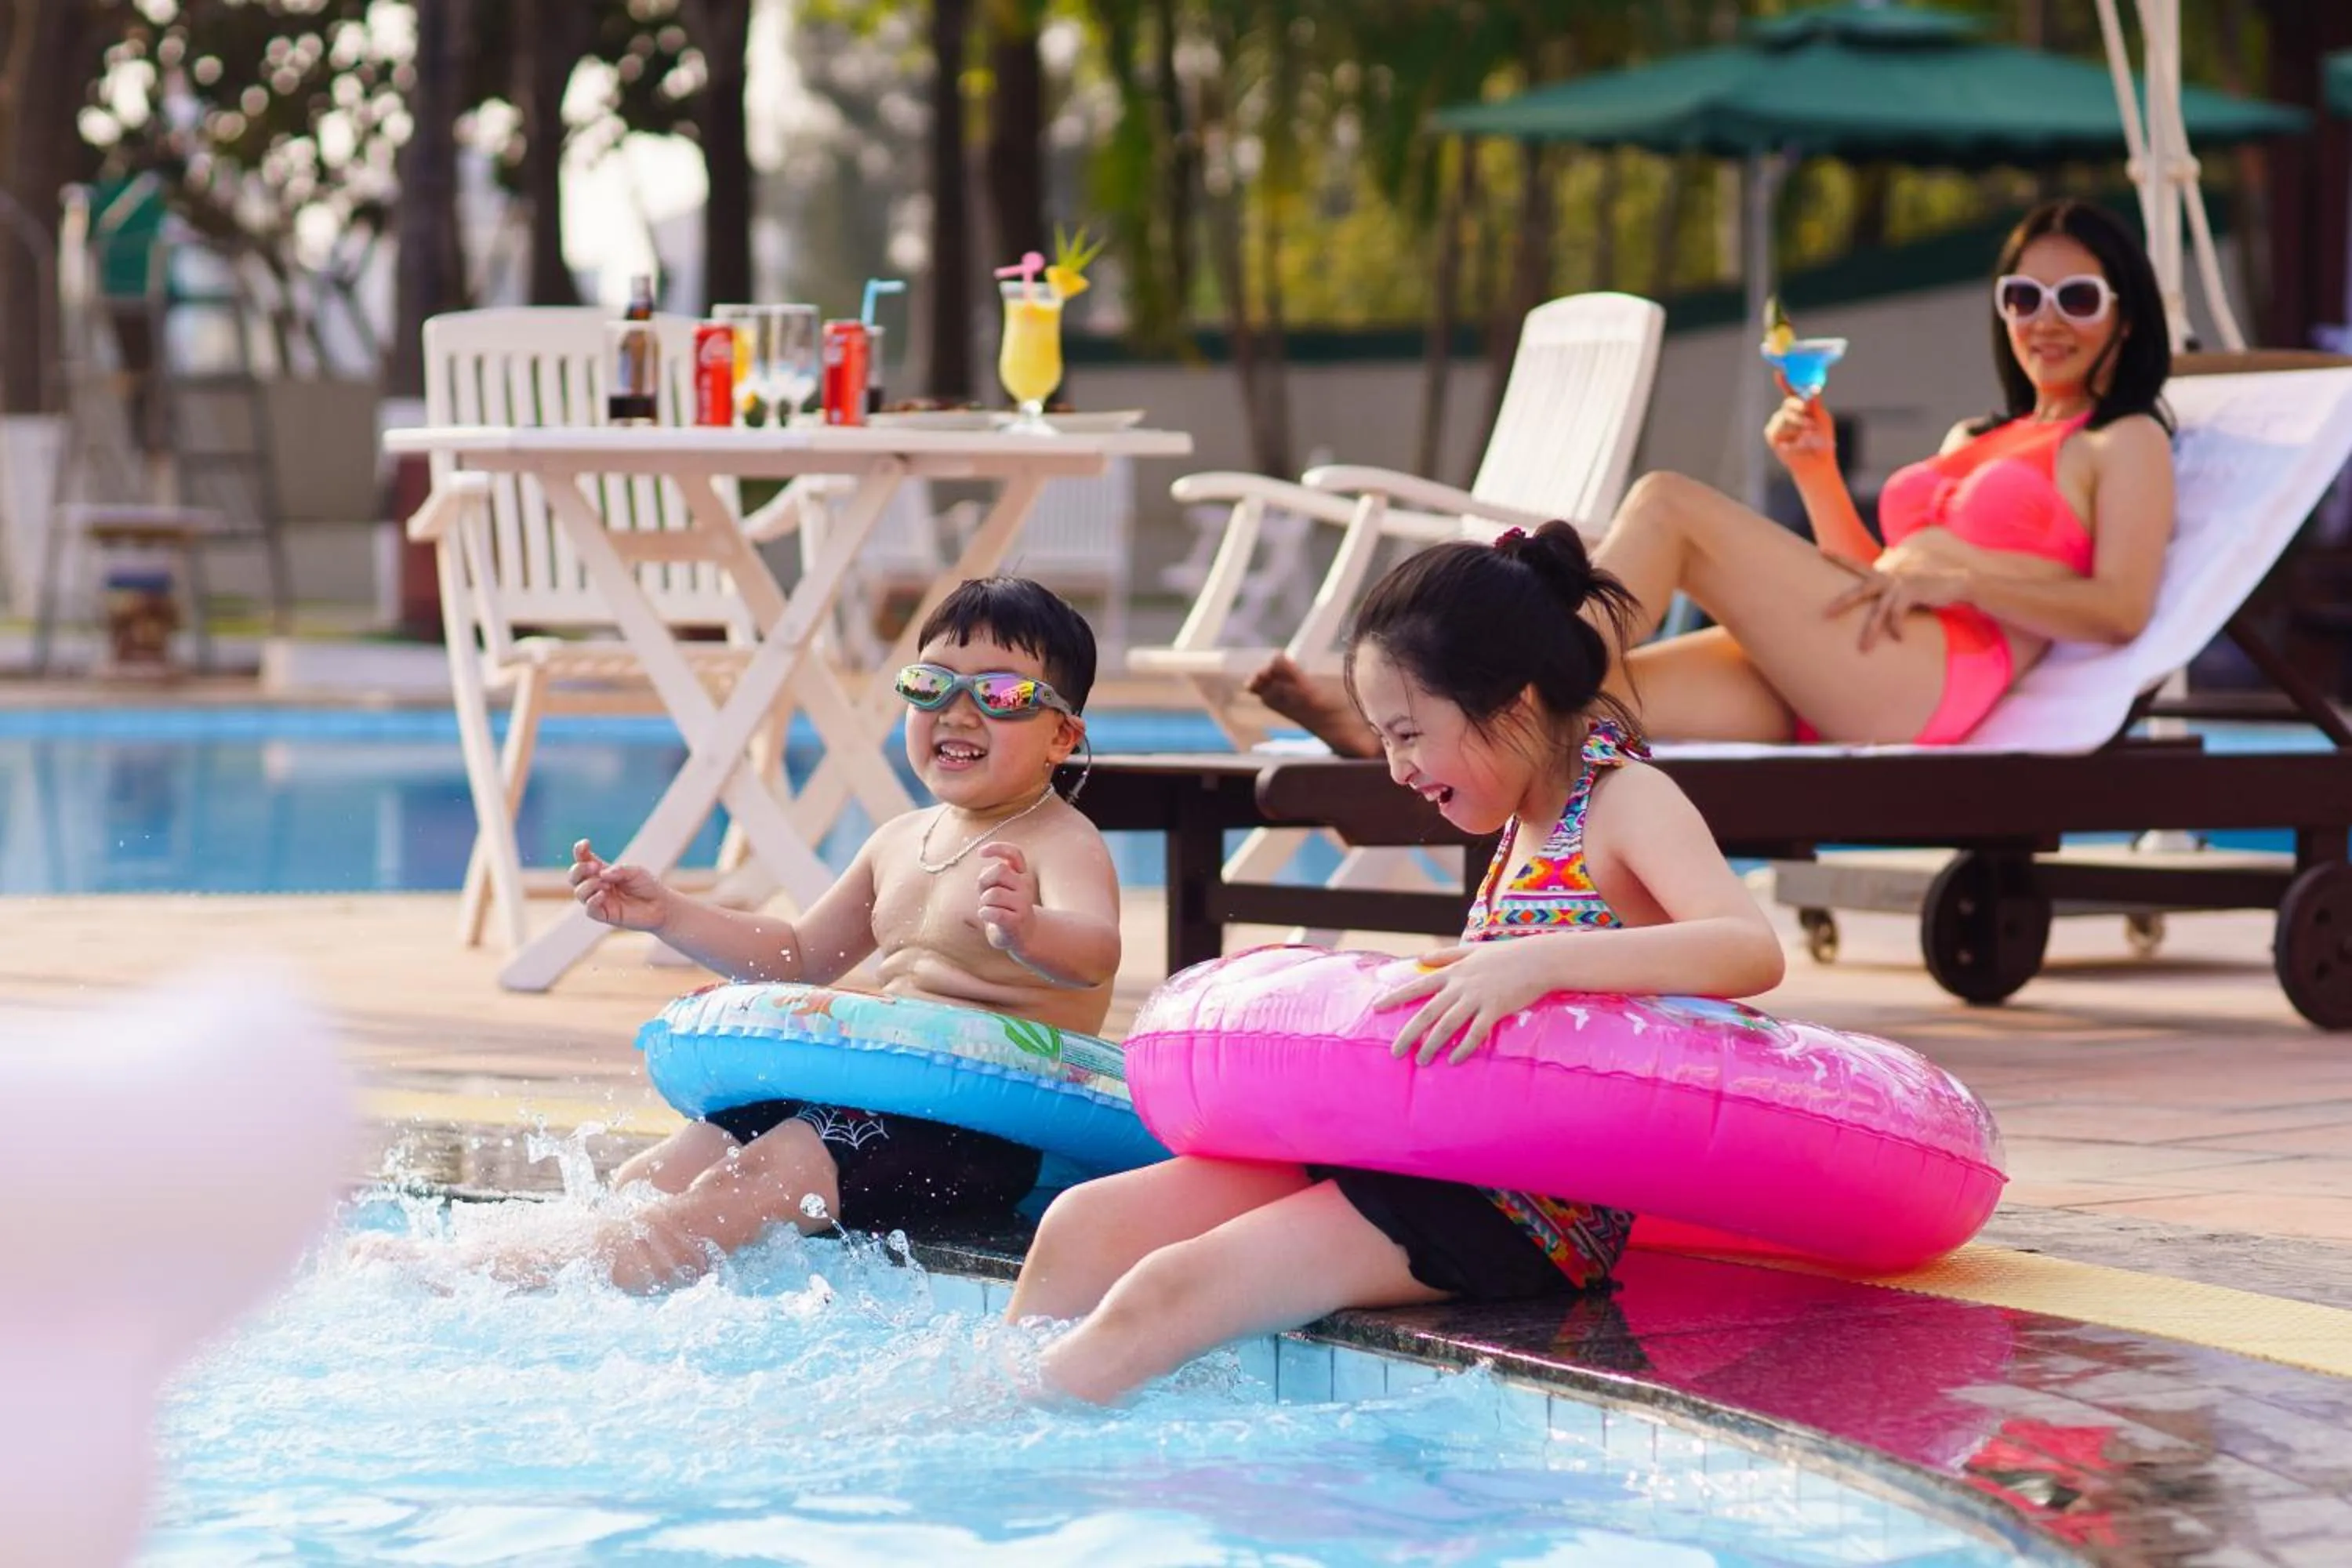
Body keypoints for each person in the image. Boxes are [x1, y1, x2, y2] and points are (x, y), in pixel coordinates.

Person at [1003, 523, 1785, 1403]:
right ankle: (995, 1400)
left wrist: (1535, 967)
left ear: (1515, 705)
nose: (1397, 768)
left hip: (1525, 1211)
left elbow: (1747, 947)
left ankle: (1002, 1442)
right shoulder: (1525, 820)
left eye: (1410, 733)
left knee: (1169, 1288)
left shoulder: (1624, 799)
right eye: (1384, 737)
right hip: (1432, 1152)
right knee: (1085, 1222)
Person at [366, 578, 1121, 1291]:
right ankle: (505, 1268)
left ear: (1062, 736)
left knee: (756, 1180)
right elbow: (797, 956)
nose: (959, 711)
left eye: (998, 693)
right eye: (931, 685)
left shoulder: (1060, 842)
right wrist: (672, 913)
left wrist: (1030, 931)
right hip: (874, 1099)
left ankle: (505, 1285)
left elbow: (1097, 954)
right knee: (653, 1176)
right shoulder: (898, 839)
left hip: (977, 1131)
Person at [1250, 198, 2178, 751]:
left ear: (2125, 317)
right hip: (1857, 656)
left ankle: (1432, 683)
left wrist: (1964, 576)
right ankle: (1415, 728)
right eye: (2023, 296)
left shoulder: (2121, 441)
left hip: (1928, 679)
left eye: (2077, 299)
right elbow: (1869, 577)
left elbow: (2122, 607)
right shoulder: (1976, 432)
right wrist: (1816, 475)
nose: (2044, 318)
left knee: (1667, 505)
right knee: (1599, 695)